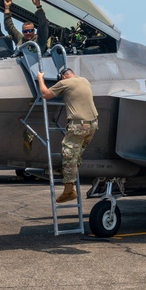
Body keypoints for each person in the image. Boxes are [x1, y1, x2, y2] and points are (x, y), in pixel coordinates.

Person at [36, 67, 98, 203]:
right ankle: (70, 171)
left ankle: (69, 190)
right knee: (77, 152)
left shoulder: (64, 83)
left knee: (68, 153)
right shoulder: (84, 80)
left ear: (63, 77)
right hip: (93, 124)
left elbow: (46, 94)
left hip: (79, 125)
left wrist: (40, 78)